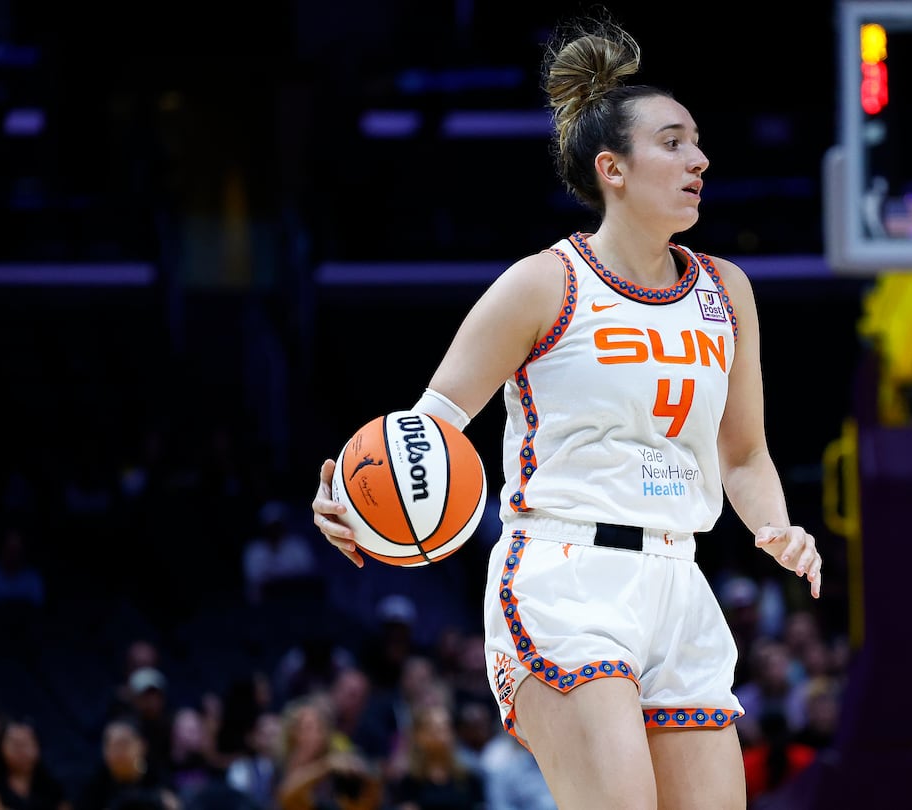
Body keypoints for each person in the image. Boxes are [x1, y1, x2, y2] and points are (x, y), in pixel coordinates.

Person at [310, 12, 822, 809]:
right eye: (675, 142)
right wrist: (345, 491)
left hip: (678, 580)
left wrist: (774, 526)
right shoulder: (544, 283)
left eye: (697, 143)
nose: (701, 159)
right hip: (565, 576)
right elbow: (428, 428)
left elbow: (744, 454)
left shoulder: (729, 290)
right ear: (612, 168)